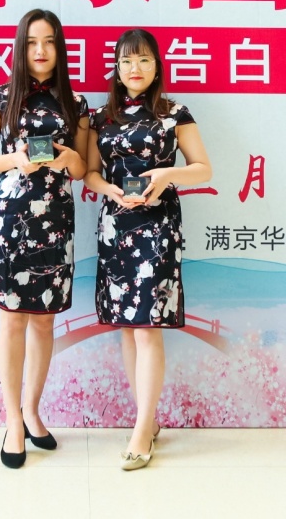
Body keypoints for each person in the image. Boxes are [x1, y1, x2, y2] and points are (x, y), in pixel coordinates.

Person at [82, 29, 212, 471]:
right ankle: (147, 419)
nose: (133, 68)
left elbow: (203, 168)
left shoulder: (175, 113)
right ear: (116, 69)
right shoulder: (101, 117)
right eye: (125, 61)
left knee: (147, 327)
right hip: (116, 225)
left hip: (158, 226)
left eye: (142, 60)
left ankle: (141, 430)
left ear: (157, 66)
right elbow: (91, 174)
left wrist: (165, 175)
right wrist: (112, 192)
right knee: (127, 326)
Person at [0, 9, 89, 469]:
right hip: (11, 221)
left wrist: (65, 159)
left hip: (55, 223)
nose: (40, 50)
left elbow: (83, 168)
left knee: (44, 322)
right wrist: (15, 159)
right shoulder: (1, 96)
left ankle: (33, 411)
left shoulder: (76, 103)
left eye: (49, 42)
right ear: (20, 48)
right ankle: (12, 421)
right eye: (32, 42)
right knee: (12, 321)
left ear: (60, 48)